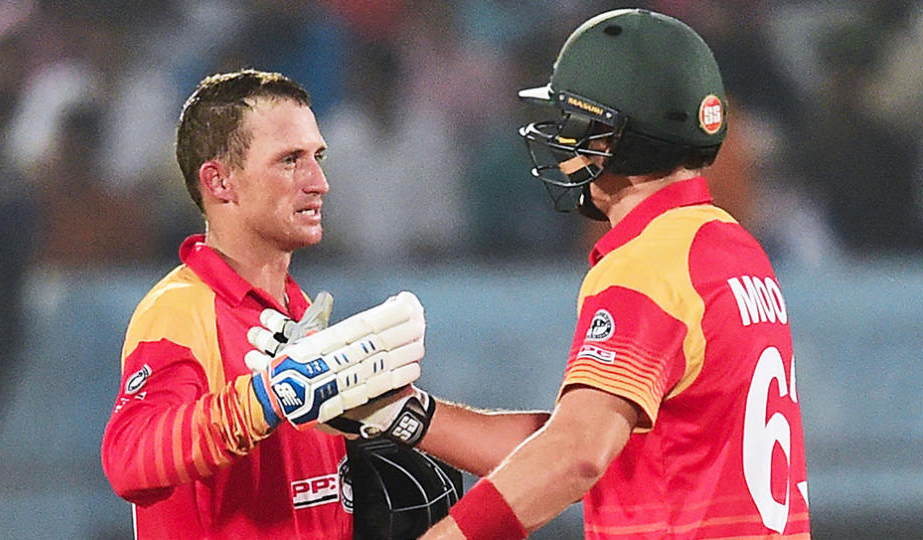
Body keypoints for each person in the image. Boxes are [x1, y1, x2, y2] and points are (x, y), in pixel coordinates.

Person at [322, 9, 811, 539]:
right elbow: (572, 443)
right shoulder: (732, 247)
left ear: (611, 138)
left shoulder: (648, 263)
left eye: (576, 122)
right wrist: (397, 410)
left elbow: (574, 457)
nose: (561, 140)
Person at [100, 69, 352, 538]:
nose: (319, 182)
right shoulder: (180, 309)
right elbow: (128, 458)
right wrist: (265, 397)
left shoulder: (295, 312)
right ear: (219, 182)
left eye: (317, 156)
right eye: (289, 160)